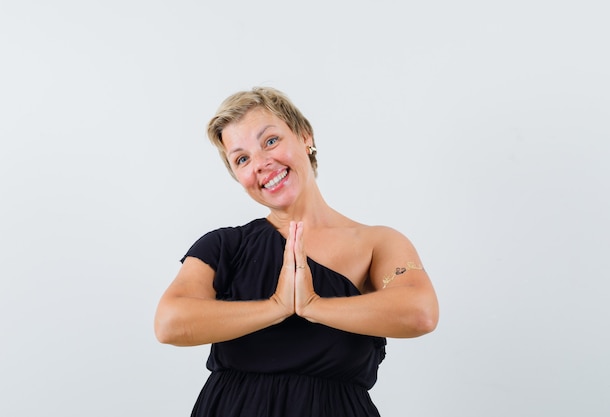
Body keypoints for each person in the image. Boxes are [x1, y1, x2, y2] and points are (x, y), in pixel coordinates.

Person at [154, 87, 439, 417]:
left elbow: (420, 313)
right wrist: (278, 307)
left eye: (270, 141)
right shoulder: (223, 246)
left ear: (305, 137)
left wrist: (313, 305)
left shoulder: (377, 243)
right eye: (242, 159)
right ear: (237, 176)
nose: (261, 163)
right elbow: (169, 323)